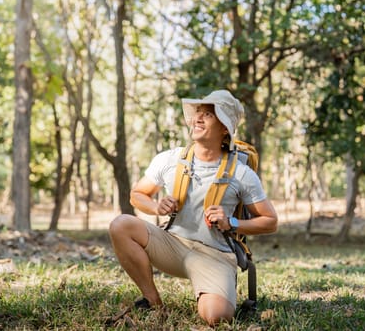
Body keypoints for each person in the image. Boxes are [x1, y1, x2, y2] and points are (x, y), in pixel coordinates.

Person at [109, 90, 278, 326]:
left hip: (215, 254)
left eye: (208, 114)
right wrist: (157, 207)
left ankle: (216, 289)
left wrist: (232, 222)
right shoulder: (170, 159)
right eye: (197, 112)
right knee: (121, 225)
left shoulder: (241, 173)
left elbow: (270, 221)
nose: (197, 118)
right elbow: (137, 194)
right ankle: (153, 301)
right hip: (172, 245)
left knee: (217, 317)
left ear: (224, 129)